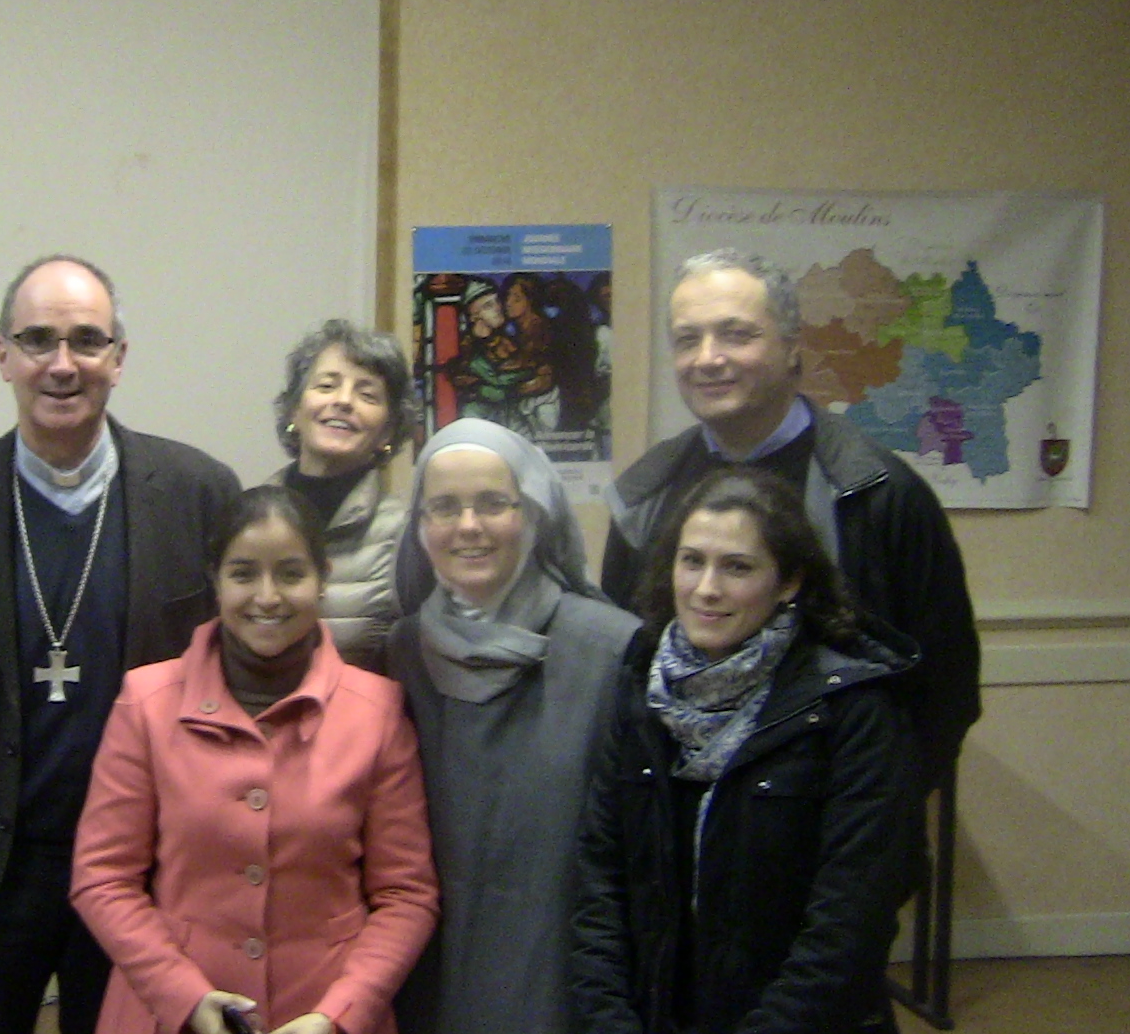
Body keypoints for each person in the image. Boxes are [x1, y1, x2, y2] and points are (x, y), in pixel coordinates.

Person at [0, 255, 242, 1034]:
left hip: (146, 875)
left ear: (119, 359)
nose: (62, 365)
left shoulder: (200, 496)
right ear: (3, 357)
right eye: (37, 341)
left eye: (87, 341)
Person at [601, 248, 977, 789]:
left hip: (834, 829)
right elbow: (626, 677)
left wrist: (872, 815)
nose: (708, 358)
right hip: (678, 826)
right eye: (688, 339)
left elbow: (944, 688)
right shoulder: (645, 496)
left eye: (736, 334)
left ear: (793, 347)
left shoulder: (878, 493)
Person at [72, 486, 439, 1034]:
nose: (267, 596)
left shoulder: (377, 711)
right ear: (215, 581)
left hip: (323, 1013)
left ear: (323, 577)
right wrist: (183, 997)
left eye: (291, 574)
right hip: (166, 1011)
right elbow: (101, 877)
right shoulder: (147, 703)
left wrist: (339, 1014)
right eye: (243, 574)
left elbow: (406, 894)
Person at [571, 467, 922, 1034]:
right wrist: (609, 1021)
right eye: (692, 561)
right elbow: (599, 880)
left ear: (788, 582)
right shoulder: (641, 687)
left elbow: (850, 919)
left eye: (737, 566)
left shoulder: (853, 707)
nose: (707, 588)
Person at [388, 418, 640, 1034]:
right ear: (420, 527)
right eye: (443, 507)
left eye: (493, 504)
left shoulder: (612, 648)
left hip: (564, 975)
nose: (467, 527)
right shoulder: (402, 651)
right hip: (433, 971)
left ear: (533, 514)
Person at [265, 318, 418, 672]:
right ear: (293, 410)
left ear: (388, 431)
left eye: (367, 395)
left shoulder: (407, 535)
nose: (343, 401)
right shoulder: (246, 519)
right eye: (327, 385)